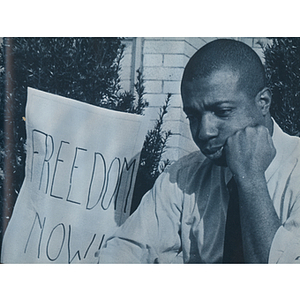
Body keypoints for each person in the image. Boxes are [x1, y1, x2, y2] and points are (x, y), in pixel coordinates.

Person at [97, 39, 300, 263]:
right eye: (193, 116)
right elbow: (125, 251)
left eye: (222, 111)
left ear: (263, 102)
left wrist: (250, 178)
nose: (204, 132)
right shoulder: (182, 179)